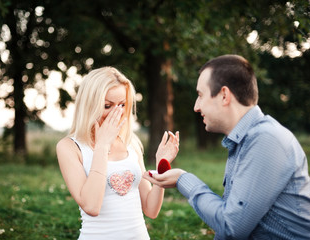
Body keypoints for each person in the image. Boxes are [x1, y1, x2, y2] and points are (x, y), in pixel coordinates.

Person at [143, 54, 310, 239]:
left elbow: (231, 227)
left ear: (224, 95)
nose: (196, 107)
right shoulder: (242, 142)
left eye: (200, 95)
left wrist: (183, 180)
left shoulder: (267, 140)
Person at [56, 66, 179, 240]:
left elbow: (151, 210)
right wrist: (102, 146)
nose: (118, 112)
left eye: (122, 104)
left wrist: (161, 168)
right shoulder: (69, 147)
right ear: (89, 105)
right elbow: (91, 206)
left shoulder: (131, 142)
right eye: (108, 106)